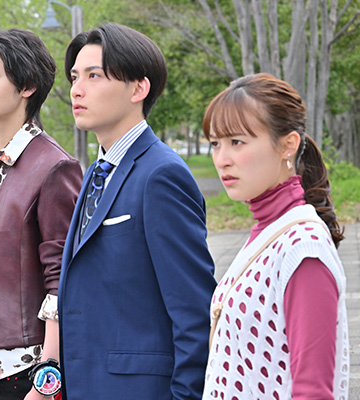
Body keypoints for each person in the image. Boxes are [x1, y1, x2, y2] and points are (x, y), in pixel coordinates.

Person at [58, 23, 217, 399]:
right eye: (75, 77)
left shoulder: (162, 174)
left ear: (138, 89)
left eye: (94, 76)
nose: (77, 89)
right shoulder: (96, 172)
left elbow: (194, 310)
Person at [0, 28, 82, 400]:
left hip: (28, 371)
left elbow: (62, 280)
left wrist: (48, 379)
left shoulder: (53, 166)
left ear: (27, 86)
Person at [202, 73, 349, 399]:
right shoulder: (268, 232)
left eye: (237, 142)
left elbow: (313, 390)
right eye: (215, 143)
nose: (222, 159)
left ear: (288, 145)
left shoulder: (304, 247)